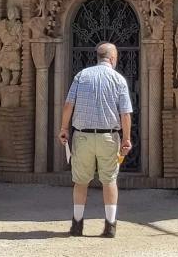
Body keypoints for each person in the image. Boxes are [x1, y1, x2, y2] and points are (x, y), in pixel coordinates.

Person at [59, 42, 134, 238]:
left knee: (80, 181)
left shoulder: (81, 76)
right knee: (109, 180)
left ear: (98, 57)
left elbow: (68, 104)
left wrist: (64, 128)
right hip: (108, 137)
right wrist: (126, 138)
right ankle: (110, 225)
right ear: (112, 58)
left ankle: (77, 225)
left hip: (82, 136)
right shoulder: (119, 80)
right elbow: (125, 114)